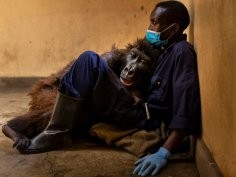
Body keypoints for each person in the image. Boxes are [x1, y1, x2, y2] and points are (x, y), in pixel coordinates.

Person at [19, 1, 201, 176]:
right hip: (134, 106)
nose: (150, 28)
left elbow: (185, 106)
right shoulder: (163, 50)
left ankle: (57, 132)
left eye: (154, 23)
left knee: (89, 60)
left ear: (174, 29)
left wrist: (164, 152)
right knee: (90, 65)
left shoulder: (181, 52)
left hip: (142, 117)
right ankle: (55, 127)